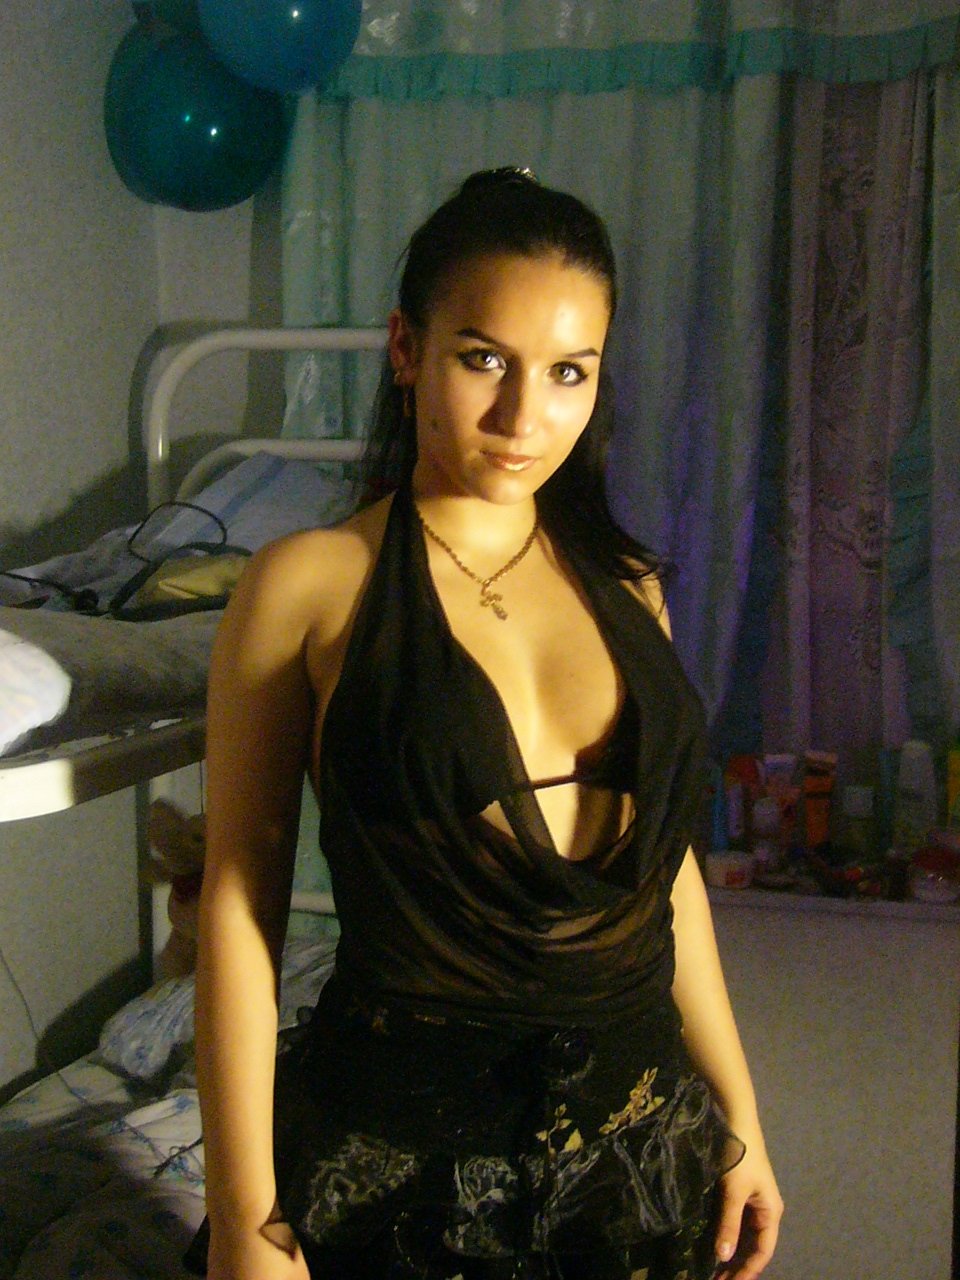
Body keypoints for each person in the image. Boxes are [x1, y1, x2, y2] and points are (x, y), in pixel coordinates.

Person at [194, 167, 783, 1280]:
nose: (524, 416)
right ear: (405, 348)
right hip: (401, 1175)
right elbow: (239, 895)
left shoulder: (631, 589)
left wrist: (740, 1116)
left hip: (640, 1158)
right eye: (483, 359)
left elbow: (667, 880)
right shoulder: (309, 584)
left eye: (567, 372)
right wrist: (243, 1217)